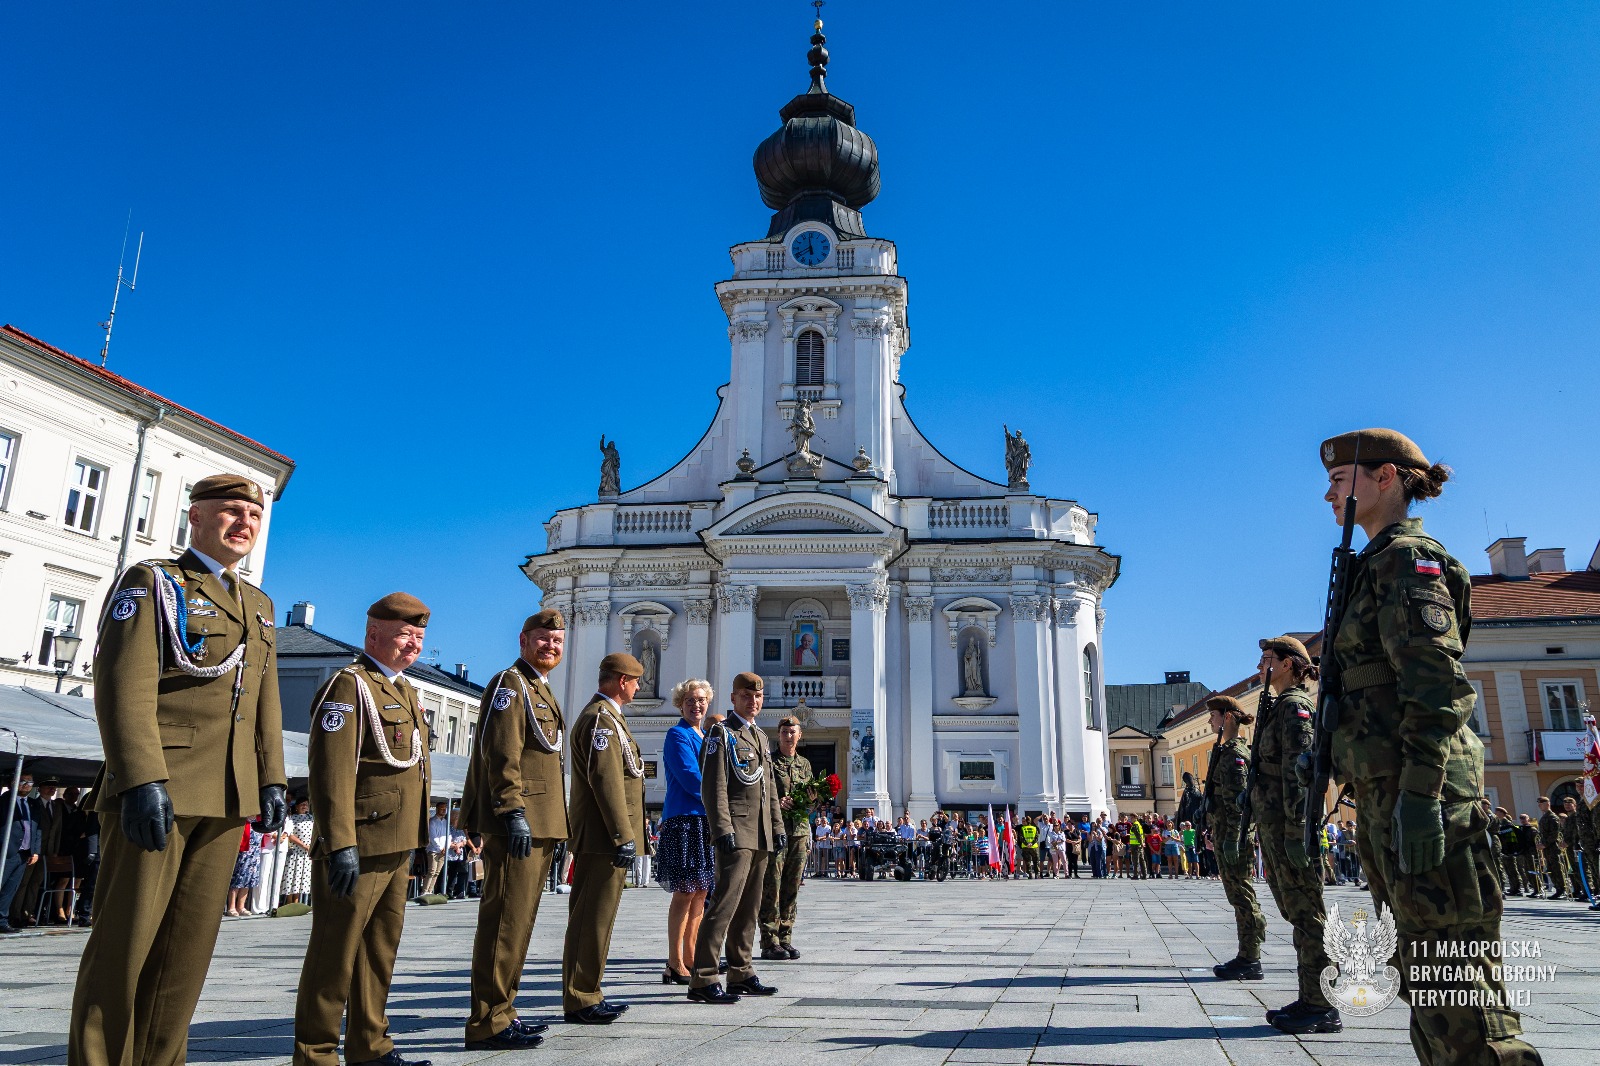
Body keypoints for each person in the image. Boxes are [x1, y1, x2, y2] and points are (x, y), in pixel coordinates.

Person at [1319, 428, 1538, 1063]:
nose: (1328, 494)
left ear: (1385, 478)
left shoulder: (1407, 563)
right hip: (1393, 796)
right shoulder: (1371, 565)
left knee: (1460, 985)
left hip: (1428, 797)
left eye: (1339, 480)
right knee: (1425, 972)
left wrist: (1419, 797)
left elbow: (1438, 687)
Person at [69, 474, 287, 1066]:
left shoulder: (258, 606)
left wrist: (271, 778)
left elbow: (263, 701)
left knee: (184, 957)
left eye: (253, 515)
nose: (244, 523)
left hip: (225, 795)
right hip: (159, 787)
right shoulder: (154, 583)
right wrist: (140, 776)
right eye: (230, 511)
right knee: (125, 945)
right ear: (195, 517)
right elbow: (122, 683)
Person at [293, 592, 433, 1066]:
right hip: (359, 839)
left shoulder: (405, 690)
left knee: (379, 952)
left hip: (396, 841)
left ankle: (370, 1046)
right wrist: (338, 841)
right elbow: (330, 771)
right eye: (403, 634)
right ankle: (316, 1053)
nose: (413, 644)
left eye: (419, 636)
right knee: (335, 952)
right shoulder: (349, 685)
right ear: (373, 633)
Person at [461, 608, 568, 1051]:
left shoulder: (539, 688)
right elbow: (500, 750)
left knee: (520, 923)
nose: (551, 647)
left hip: (539, 819)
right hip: (517, 821)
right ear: (524, 640)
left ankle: (504, 1010)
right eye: (543, 639)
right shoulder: (511, 684)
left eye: (558, 641)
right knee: (504, 921)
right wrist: (511, 810)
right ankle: (487, 1020)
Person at [1249, 635, 1339, 1034]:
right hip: (1276, 828)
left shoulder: (1295, 709)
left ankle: (1322, 1005)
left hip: (1290, 829)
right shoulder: (1277, 708)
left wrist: (1295, 830)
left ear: (1288, 664)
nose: (1260, 667)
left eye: (1267, 659)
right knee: (1296, 913)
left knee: (1308, 914)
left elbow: (1297, 776)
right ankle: (1311, 998)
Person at [562, 652, 649, 1025]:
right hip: (602, 837)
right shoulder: (601, 720)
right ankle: (580, 998)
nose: (639, 686)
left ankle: (588, 991)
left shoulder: (610, 718)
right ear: (620, 681)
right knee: (591, 918)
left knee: (600, 917)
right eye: (635, 680)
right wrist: (621, 835)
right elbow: (607, 781)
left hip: (605, 837)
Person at [688, 672, 783, 1004]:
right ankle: (703, 977)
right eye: (746, 696)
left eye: (757, 697)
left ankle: (741, 971)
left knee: (750, 907)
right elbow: (713, 787)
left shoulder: (759, 736)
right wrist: (722, 828)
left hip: (760, 833)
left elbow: (768, 789)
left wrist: (778, 827)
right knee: (724, 905)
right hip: (736, 832)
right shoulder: (721, 733)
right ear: (733, 698)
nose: (753, 701)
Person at [658, 679, 716, 982]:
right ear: (681, 704)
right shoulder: (677, 734)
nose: (697, 705)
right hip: (684, 819)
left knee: (701, 891)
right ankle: (674, 961)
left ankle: (692, 956)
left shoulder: (706, 735)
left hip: (704, 819)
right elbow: (691, 777)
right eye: (691, 700)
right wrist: (721, 797)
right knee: (685, 891)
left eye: (702, 700)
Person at [1206, 695, 1266, 981]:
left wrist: (1232, 838)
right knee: (1237, 895)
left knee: (1242, 895)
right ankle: (1246, 954)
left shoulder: (1234, 754)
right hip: (1226, 833)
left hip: (1236, 836)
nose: (1210, 721)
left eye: (1214, 716)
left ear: (1228, 717)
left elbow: (1239, 804)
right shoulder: (1223, 750)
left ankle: (1250, 956)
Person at [760, 715, 813, 960]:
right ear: (778, 735)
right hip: (776, 830)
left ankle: (785, 937)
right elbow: (761, 794)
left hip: (799, 830)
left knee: (792, 885)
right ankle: (769, 940)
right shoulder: (769, 762)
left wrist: (811, 800)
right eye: (784, 732)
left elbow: (812, 800)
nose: (788, 736)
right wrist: (777, 803)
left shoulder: (804, 764)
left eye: (793, 732)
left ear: (799, 736)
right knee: (773, 885)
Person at [281, 798, 315, 904]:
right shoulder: (292, 818)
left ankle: (296, 902)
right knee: (292, 875)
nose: (304, 806)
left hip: (306, 853)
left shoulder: (311, 818)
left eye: (306, 804)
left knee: (301, 877)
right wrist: (303, 845)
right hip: (295, 851)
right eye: (302, 804)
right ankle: (289, 901)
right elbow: (290, 835)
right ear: (296, 807)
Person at [1535, 797, 1567, 900]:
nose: (1539, 805)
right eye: (1539, 804)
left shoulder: (1552, 817)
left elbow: (1554, 834)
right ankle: (1558, 888)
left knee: (1557, 868)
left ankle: (1562, 889)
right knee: (1550, 869)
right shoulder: (1544, 817)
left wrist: (1544, 844)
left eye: (1541, 803)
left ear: (1547, 804)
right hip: (1547, 848)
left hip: (1553, 847)